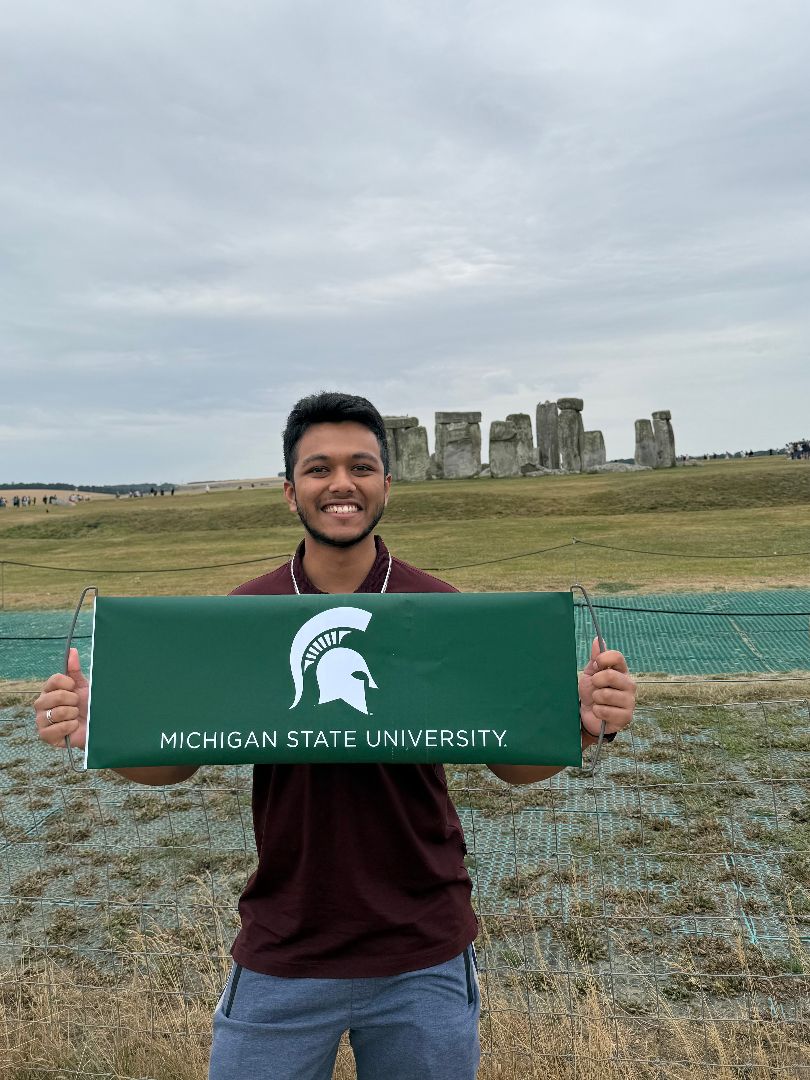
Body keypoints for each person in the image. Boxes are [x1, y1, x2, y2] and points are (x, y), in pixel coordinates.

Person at [34, 391, 636, 1080]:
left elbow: (510, 762)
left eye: (361, 466)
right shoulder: (244, 616)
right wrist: (97, 730)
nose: (341, 483)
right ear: (291, 493)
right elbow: (176, 761)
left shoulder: (442, 611)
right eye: (319, 469)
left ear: (387, 484)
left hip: (423, 953)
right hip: (285, 947)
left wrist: (583, 727)